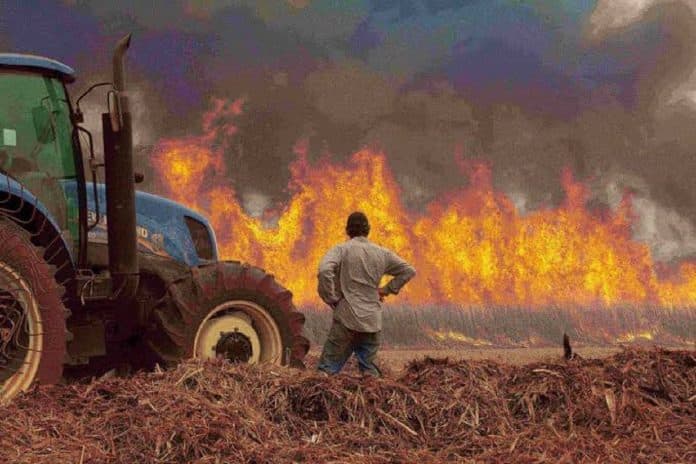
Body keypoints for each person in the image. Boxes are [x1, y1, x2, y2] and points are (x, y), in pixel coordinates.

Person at [316, 211, 416, 376]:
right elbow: (409, 271)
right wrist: (386, 290)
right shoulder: (382, 253)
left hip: (347, 318)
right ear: (368, 230)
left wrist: (330, 298)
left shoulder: (341, 250)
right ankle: (371, 400)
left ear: (348, 230)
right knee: (369, 375)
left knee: (326, 372)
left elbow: (325, 270)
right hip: (372, 321)